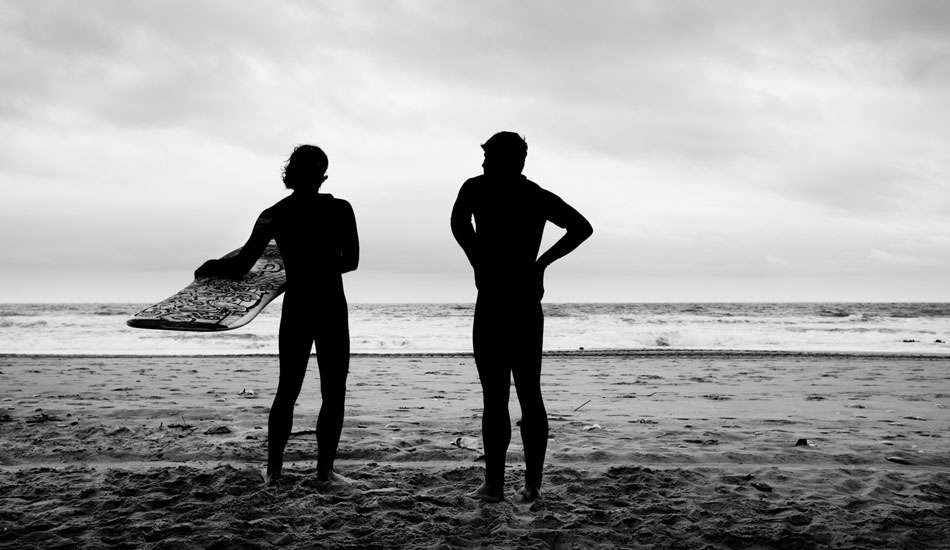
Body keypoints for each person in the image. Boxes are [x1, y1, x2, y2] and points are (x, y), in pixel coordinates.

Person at [196, 144, 359, 485]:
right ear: (322, 175)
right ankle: (324, 473)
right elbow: (351, 261)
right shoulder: (340, 209)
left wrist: (210, 267)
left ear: (291, 173)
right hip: (329, 302)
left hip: (298, 304)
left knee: (288, 389)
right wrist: (320, 263)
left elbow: (241, 264)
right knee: (333, 391)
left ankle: (274, 472)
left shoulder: (274, 213)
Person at [450, 132, 593, 502]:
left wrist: (479, 257)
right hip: (524, 301)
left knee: (498, 397)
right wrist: (539, 264)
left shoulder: (479, 188)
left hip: (497, 302)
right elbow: (581, 228)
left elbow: (458, 223)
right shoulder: (534, 195)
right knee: (528, 393)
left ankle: (499, 485)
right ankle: (529, 486)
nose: (482, 164)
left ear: (502, 160)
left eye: (487, 158)